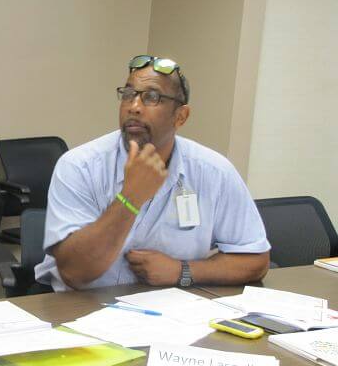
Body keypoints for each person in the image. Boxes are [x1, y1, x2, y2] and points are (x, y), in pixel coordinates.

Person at [36, 54, 270, 292]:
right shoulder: (79, 166)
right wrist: (130, 198)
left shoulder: (214, 171)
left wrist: (182, 271)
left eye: (151, 97)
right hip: (82, 307)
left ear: (180, 116)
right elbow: (74, 273)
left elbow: (255, 260)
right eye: (128, 94)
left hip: (173, 307)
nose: (134, 107)